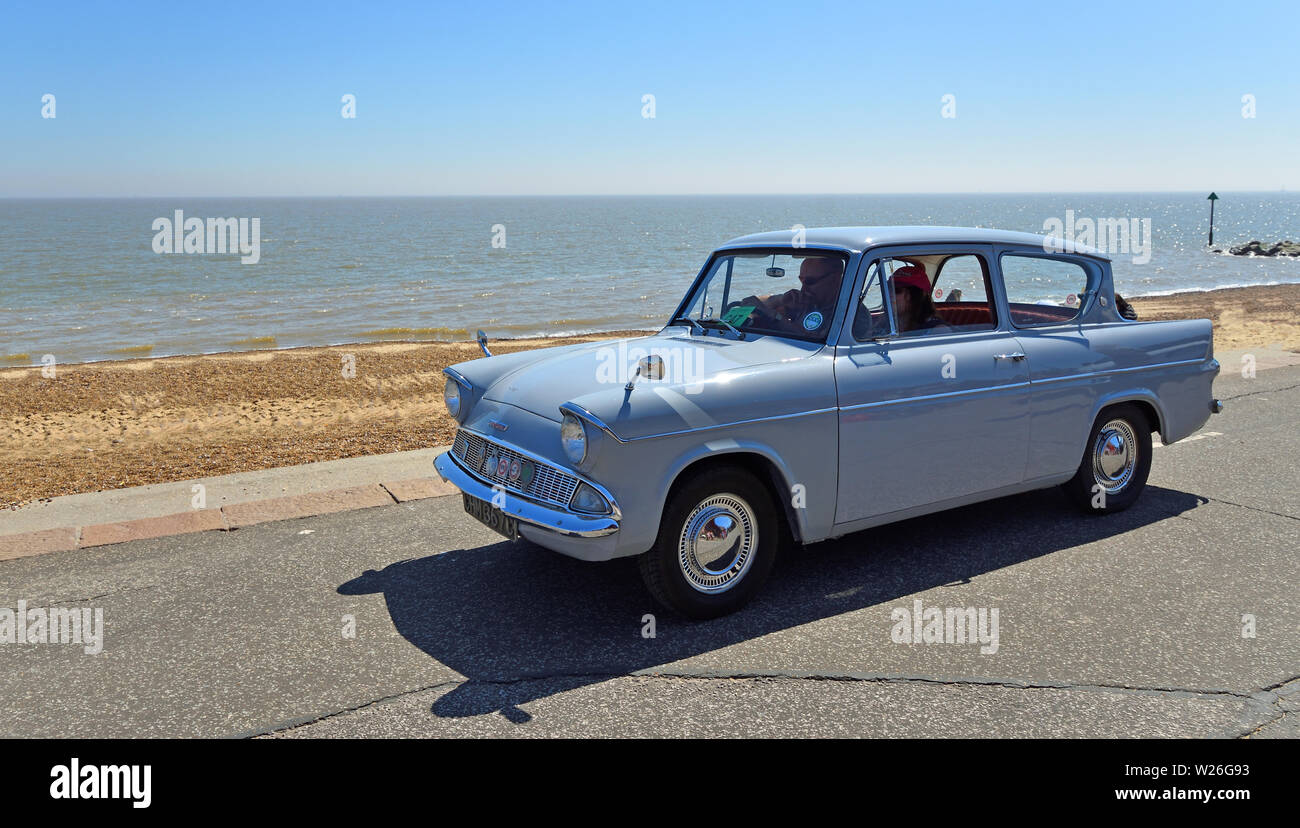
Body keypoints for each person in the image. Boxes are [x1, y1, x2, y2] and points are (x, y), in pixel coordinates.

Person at [741, 256, 843, 335]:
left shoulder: (846, 312)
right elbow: (760, 302)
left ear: (834, 279)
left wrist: (774, 317)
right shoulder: (807, 301)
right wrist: (782, 299)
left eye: (810, 281)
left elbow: (813, 340)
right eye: (801, 280)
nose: (803, 288)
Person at [891, 263, 950, 333]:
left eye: (896, 290)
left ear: (915, 296)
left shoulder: (937, 330)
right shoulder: (888, 323)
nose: (889, 294)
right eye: (888, 288)